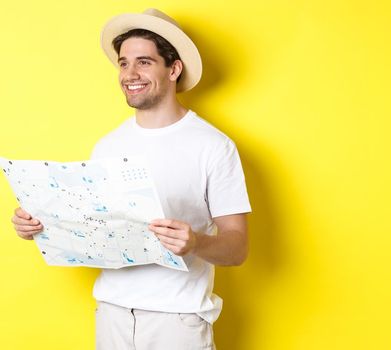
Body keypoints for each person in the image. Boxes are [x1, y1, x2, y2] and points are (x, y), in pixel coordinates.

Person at [9, 8, 251, 349]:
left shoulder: (213, 146)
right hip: (112, 316)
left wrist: (196, 243)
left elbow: (237, 246)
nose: (130, 73)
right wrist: (41, 225)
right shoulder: (108, 145)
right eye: (123, 63)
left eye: (144, 62)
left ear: (174, 69)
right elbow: (94, 230)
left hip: (177, 321)